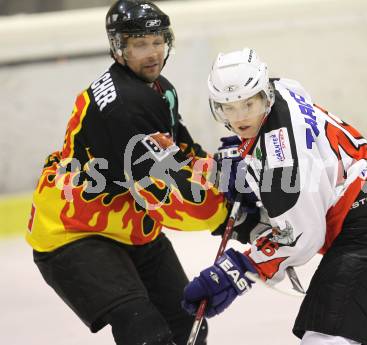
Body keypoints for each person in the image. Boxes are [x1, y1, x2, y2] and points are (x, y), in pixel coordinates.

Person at [182, 48, 367, 345]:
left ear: (264, 95)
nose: (240, 117)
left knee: (325, 339)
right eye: (229, 108)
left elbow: (301, 237)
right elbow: (305, 169)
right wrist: (249, 167)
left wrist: (238, 269)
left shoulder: (280, 161)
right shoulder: (284, 87)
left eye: (248, 104)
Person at [25, 1, 229, 344]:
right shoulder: (126, 107)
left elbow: (185, 155)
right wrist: (225, 216)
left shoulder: (159, 90)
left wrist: (226, 181)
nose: (152, 53)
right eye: (139, 44)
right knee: (145, 331)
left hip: (128, 224)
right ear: (119, 48)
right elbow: (170, 196)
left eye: (156, 41)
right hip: (73, 232)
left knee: (186, 325)